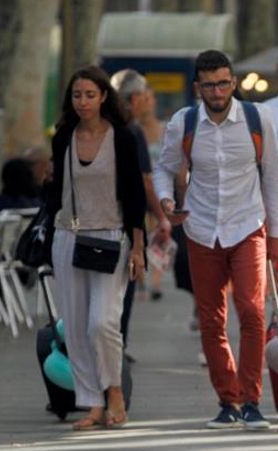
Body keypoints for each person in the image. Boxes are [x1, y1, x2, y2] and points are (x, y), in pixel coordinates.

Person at [153, 50, 278, 430]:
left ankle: (252, 400)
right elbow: (164, 169)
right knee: (211, 320)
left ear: (233, 82)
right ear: (198, 87)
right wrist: (166, 201)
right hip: (200, 228)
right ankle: (227, 401)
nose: (217, 91)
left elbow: (275, 178)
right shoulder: (185, 122)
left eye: (224, 82)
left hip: (248, 225)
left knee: (251, 309)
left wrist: (277, 234)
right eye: (209, 84)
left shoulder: (256, 118)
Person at [46, 65, 146, 430]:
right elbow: (55, 194)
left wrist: (138, 249)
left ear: (104, 96)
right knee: (73, 326)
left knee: (101, 323)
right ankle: (90, 402)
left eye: (90, 94)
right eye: (76, 95)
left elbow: (135, 196)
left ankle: (114, 390)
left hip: (110, 237)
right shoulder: (63, 136)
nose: (83, 102)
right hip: (68, 236)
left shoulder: (122, 137)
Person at [110, 69, 172, 361]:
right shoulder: (132, 130)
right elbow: (146, 180)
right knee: (125, 284)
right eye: (146, 96)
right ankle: (117, 345)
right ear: (135, 99)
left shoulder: (97, 125)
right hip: (126, 222)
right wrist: (161, 218)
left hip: (89, 221)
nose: (150, 101)